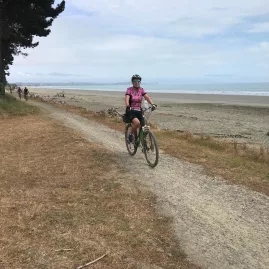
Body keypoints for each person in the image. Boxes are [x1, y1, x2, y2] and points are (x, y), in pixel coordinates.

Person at [125, 74, 157, 142]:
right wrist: (128, 106)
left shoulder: (141, 90)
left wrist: (152, 104)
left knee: (143, 124)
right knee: (137, 123)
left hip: (139, 110)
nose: (137, 82)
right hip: (131, 110)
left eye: (138, 81)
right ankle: (130, 134)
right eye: (135, 81)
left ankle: (140, 140)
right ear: (132, 82)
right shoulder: (129, 90)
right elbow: (127, 98)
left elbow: (147, 97)